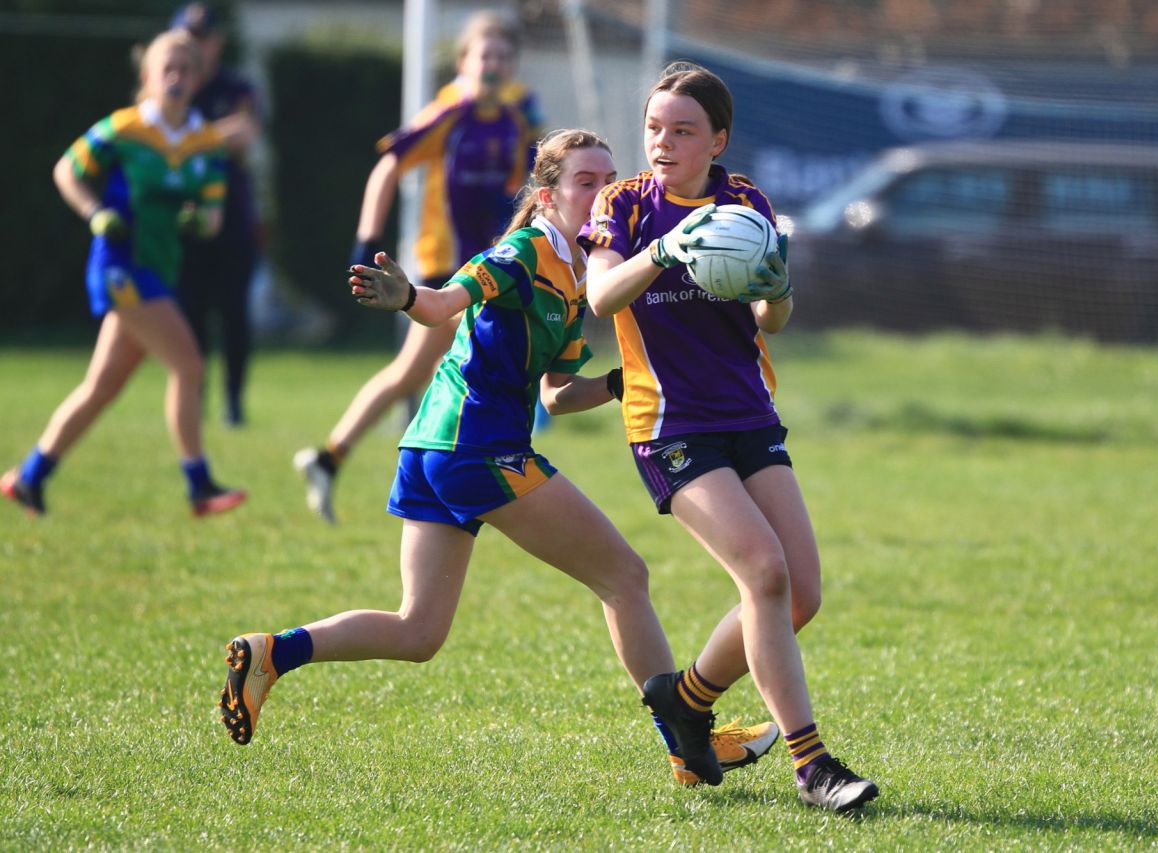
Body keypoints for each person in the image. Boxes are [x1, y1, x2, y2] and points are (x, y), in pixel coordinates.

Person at [218, 131, 777, 788]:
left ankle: (271, 653)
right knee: (624, 576)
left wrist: (624, 382)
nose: (605, 192)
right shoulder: (524, 251)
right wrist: (406, 297)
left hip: (433, 448)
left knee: (418, 629)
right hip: (476, 448)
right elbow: (445, 303)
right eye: (586, 181)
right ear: (548, 194)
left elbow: (557, 395)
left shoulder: (575, 272)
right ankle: (688, 742)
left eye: (610, 178)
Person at [579, 62, 880, 813]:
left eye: (682, 131)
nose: (663, 143)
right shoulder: (624, 205)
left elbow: (769, 317)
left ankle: (686, 700)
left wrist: (777, 287)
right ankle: (812, 766)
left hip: (747, 413)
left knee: (800, 592)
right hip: (670, 424)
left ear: (718, 139)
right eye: (653, 128)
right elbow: (599, 293)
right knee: (765, 573)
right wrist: (666, 250)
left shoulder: (746, 202)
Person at [292, 10, 544, 523]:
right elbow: (388, 165)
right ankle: (352, 460)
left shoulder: (520, 117)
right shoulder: (449, 112)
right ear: (464, 63)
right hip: (445, 265)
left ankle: (338, 460)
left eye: (503, 56)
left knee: (449, 367)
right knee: (419, 369)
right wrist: (367, 236)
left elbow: (530, 182)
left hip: (494, 263)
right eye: (484, 55)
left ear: (513, 65)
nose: (493, 65)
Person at [0, 30, 246, 519]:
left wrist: (199, 221)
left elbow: (214, 217)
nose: (175, 77)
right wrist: (95, 212)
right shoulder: (123, 129)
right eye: (166, 68)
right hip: (120, 267)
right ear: (147, 75)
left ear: (199, 77)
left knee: (103, 386)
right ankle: (199, 486)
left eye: (185, 69)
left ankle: (29, 478)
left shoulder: (206, 145)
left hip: (159, 270)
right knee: (190, 366)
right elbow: (67, 170)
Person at [170, 2, 263, 427]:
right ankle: (194, 401)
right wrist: (213, 136)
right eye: (188, 39)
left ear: (216, 43)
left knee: (233, 314)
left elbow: (244, 133)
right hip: (184, 219)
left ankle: (234, 404)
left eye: (202, 39)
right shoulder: (175, 89)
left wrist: (188, 140)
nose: (195, 49)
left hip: (233, 218)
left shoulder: (235, 86)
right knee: (188, 316)